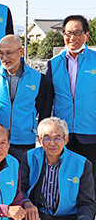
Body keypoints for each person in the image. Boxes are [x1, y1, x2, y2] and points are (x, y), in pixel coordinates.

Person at [20, 117, 95, 220]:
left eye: (58, 138)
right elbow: (20, 188)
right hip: (36, 215)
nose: (52, 143)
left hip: (66, 218)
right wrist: (26, 201)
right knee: (12, 215)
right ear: (39, 139)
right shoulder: (29, 157)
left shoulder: (82, 164)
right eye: (47, 138)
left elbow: (87, 202)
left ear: (66, 139)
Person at [0, 35, 52, 162]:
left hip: (24, 140)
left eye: (9, 53)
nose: (4, 58)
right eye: (1, 53)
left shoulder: (39, 79)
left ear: (21, 52)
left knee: (23, 179)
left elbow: (42, 110)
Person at [46, 15, 96, 184]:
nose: (72, 37)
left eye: (77, 32)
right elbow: (48, 99)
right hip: (62, 134)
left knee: (90, 180)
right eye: (68, 33)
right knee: (65, 178)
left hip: (90, 131)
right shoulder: (54, 63)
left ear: (87, 35)